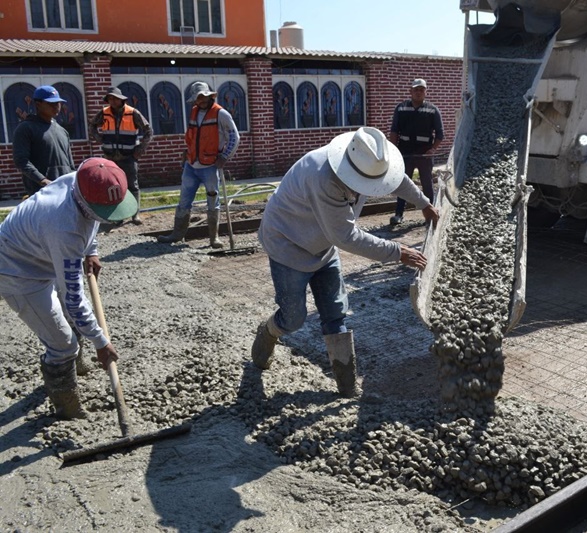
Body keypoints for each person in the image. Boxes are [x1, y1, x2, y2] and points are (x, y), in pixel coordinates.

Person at [252, 126, 439, 397]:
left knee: (335, 312)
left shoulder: (364, 160)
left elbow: (395, 179)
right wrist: (397, 251)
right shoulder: (323, 178)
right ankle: (268, 332)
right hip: (289, 245)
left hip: (323, 245)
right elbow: (346, 237)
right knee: (293, 318)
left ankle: (346, 387)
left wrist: (422, 202)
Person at [0, 158, 135, 419]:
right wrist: (101, 342)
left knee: (70, 318)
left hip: (40, 250)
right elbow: (75, 298)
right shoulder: (64, 228)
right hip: (17, 271)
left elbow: (94, 216)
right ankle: (66, 408)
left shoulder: (88, 178)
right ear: (83, 200)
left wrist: (91, 250)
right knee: (62, 343)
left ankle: (76, 364)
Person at [158, 81, 240, 248]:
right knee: (183, 201)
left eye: (203, 98)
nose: (201, 101)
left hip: (210, 166)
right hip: (191, 165)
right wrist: (186, 152)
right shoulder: (194, 112)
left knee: (213, 201)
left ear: (210, 96)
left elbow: (234, 137)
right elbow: (193, 136)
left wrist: (224, 156)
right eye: (198, 99)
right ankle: (177, 235)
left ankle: (213, 238)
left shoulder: (221, 114)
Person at [89, 86, 153, 225]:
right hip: (110, 157)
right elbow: (92, 125)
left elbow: (148, 131)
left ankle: (135, 214)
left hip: (129, 156)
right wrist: (99, 139)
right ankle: (119, 216)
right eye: (109, 98)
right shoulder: (104, 113)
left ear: (121, 99)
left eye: (114, 98)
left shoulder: (133, 113)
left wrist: (140, 150)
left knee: (132, 185)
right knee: (113, 186)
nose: (112, 101)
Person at [388, 78, 444, 225]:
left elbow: (440, 134)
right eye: (416, 90)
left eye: (421, 90)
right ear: (410, 91)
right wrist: (394, 151)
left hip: (424, 153)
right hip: (405, 152)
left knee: (427, 183)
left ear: (426, 92)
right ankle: (399, 214)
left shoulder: (432, 110)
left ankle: (430, 214)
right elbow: (394, 131)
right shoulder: (401, 108)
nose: (418, 92)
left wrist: (432, 150)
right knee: (403, 183)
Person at [12, 85, 75, 198]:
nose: (56, 107)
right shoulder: (26, 128)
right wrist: (43, 180)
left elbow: (70, 163)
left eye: (58, 103)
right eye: (51, 103)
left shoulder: (62, 131)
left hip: (65, 190)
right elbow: (21, 160)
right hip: (41, 192)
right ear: (38, 104)